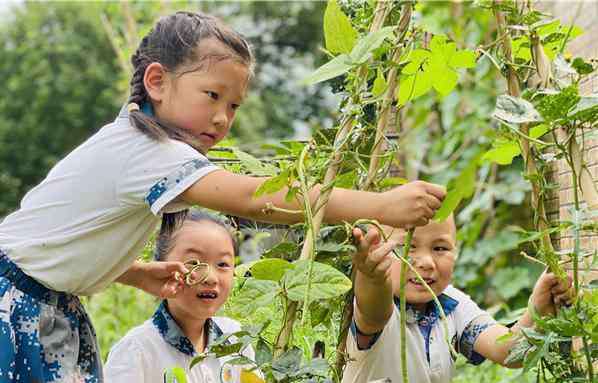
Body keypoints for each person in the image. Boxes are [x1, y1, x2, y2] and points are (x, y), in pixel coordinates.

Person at [0, 11, 445, 383]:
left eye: (233, 106)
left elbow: (55, 242)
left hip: (43, 303)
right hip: (17, 307)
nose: (222, 117)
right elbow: (254, 197)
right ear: (157, 81)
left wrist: (133, 272)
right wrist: (380, 205)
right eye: (212, 95)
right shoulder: (145, 150)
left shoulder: (133, 145)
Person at [343, 216, 573, 383]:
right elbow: (374, 312)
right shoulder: (375, 305)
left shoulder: (452, 304)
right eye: (406, 247)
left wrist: (539, 306)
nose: (426, 262)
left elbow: (509, 351)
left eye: (440, 248)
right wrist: (372, 277)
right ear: (380, 250)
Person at [104, 209, 253, 382]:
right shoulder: (136, 351)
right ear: (161, 268)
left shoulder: (235, 337)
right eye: (193, 263)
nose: (211, 278)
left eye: (222, 264)